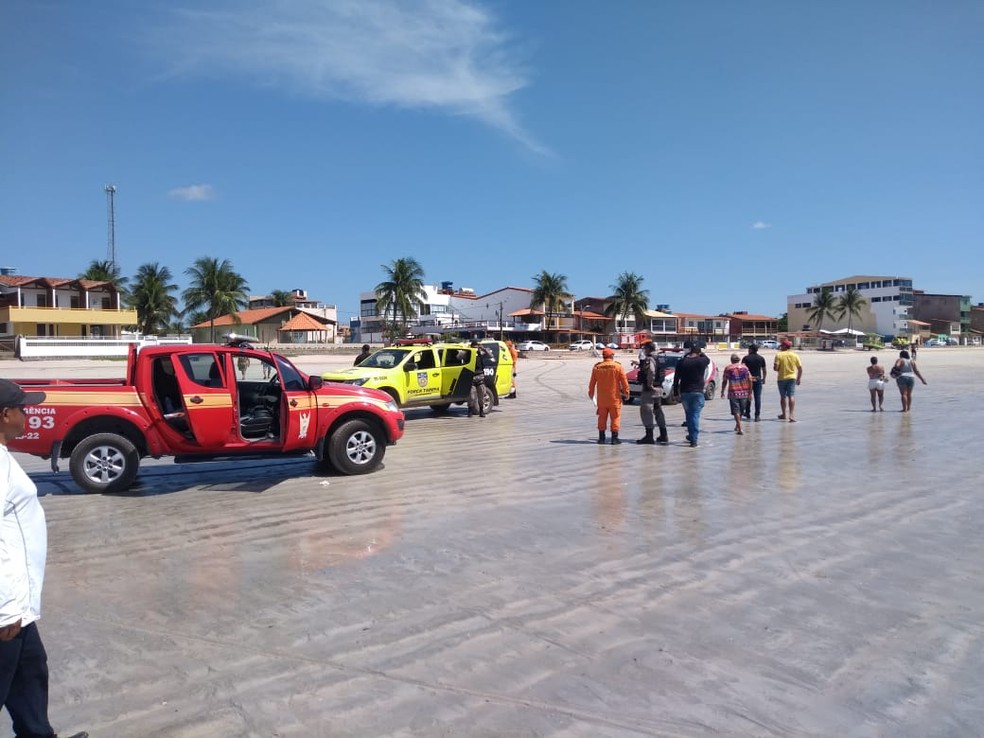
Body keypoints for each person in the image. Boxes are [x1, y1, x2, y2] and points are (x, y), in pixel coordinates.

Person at [1, 379, 89, 738]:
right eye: (22, 408)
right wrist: (5, 609)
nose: (27, 413)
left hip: (18, 608)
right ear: (5, 415)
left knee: (31, 673)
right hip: (7, 609)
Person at [671, 340, 710, 447]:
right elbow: (707, 359)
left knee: (689, 415)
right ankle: (694, 439)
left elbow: (676, 379)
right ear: (698, 351)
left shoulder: (682, 362)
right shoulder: (701, 361)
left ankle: (692, 435)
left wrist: (675, 393)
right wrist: (701, 353)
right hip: (697, 392)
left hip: (685, 392)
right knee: (695, 415)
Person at [588, 348, 630, 444]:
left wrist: (591, 393)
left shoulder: (597, 367)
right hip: (614, 398)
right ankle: (614, 438)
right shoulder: (618, 367)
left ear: (603, 356)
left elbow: (592, 383)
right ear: (612, 356)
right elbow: (624, 382)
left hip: (602, 399)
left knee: (601, 418)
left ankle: (601, 438)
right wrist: (626, 393)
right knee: (615, 417)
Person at [635, 342, 669, 445]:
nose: (643, 350)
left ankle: (649, 436)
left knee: (646, 411)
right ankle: (664, 434)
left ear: (648, 349)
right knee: (658, 411)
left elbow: (651, 372)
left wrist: (649, 385)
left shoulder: (649, 359)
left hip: (650, 390)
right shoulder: (660, 358)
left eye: (644, 348)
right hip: (659, 388)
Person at [721, 353, 752, 435]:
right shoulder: (745, 368)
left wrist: (722, 391)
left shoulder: (728, 368)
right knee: (741, 410)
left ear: (731, 360)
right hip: (744, 392)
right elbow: (750, 379)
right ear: (739, 360)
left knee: (736, 410)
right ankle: (738, 425)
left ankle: (739, 427)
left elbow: (724, 381)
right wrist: (750, 392)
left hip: (733, 392)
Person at [773, 340, 803, 422]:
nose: (781, 347)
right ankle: (791, 415)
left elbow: (776, 368)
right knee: (791, 396)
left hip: (781, 378)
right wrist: (799, 378)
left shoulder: (779, 355)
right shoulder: (795, 355)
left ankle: (784, 414)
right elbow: (800, 368)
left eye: (782, 346)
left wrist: (777, 368)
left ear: (784, 346)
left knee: (783, 397)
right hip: (792, 378)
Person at [740, 344, 767, 421]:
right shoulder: (761, 358)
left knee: (748, 396)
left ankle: (747, 413)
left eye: (749, 349)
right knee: (757, 397)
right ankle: (757, 416)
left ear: (751, 349)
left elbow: (742, 370)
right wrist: (764, 378)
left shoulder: (746, 358)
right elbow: (764, 370)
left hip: (748, 379)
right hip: (757, 379)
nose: (748, 350)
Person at [469, 340, 491, 417]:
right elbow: (459, 357)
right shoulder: (468, 354)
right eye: (474, 347)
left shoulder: (480, 354)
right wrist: (467, 351)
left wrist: (483, 349)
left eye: (476, 347)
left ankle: (481, 411)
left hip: (480, 376)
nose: (475, 349)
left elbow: (490, 355)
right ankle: (470, 410)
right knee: (471, 396)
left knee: (481, 395)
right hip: (471, 377)